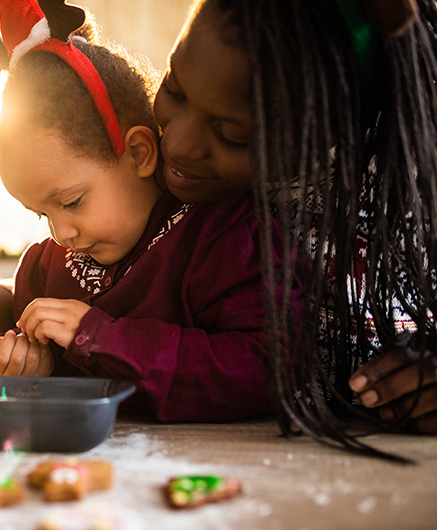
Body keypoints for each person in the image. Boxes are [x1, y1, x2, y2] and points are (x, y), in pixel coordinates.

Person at [0, 0, 294, 422]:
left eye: (71, 201)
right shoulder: (61, 257)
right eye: (40, 213)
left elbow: (266, 366)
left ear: (137, 152)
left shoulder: (225, 236)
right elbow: (19, 312)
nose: (60, 232)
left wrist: (99, 336)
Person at [150, 0, 437, 451]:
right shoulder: (147, 171)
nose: (179, 145)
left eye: (234, 135)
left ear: (332, 126)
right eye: (175, 87)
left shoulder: (413, 183)